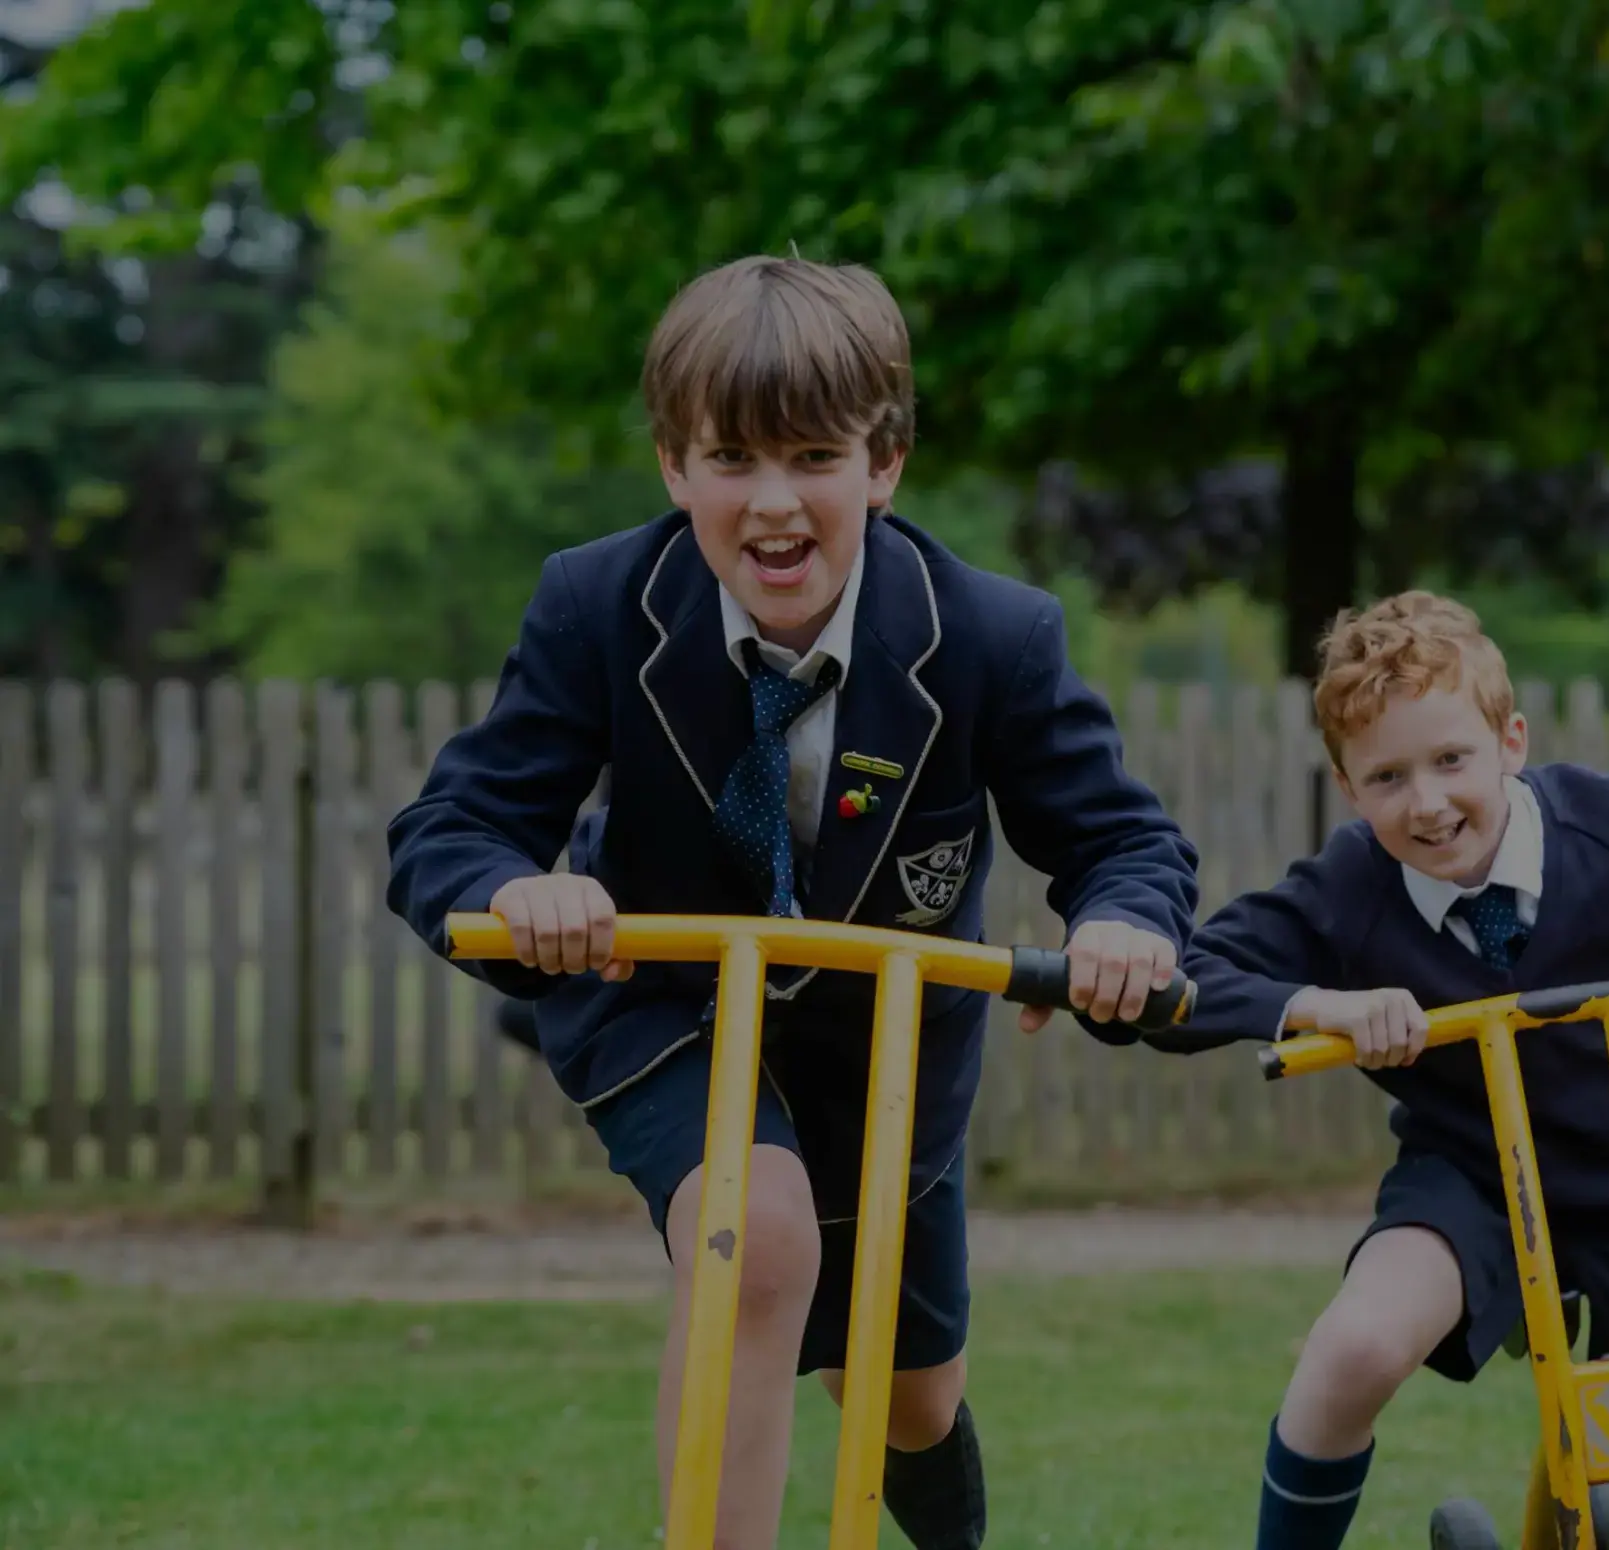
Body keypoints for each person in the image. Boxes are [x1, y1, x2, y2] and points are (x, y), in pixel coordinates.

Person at [387, 254, 1199, 1550]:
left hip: (883, 1046)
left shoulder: (992, 636)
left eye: (814, 456)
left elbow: (1123, 840)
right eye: (732, 460)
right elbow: (453, 826)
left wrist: (1122, 922)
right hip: (662, 1003)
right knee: (755, 1241)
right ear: (673, 466)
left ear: (884, 464)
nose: (773, 502)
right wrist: (515, 887)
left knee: (905, 1394)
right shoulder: (597, 606)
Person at [1180, 590, 1609, 1550]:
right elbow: (1183, 983)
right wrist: (1323, 1005)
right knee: (1355, 1347)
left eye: (1451, 760)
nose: (1426, 802)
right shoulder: (1348, 890)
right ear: (1347, 788)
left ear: (1511, 741)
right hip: (1472, 1181)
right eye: (1386, 777)